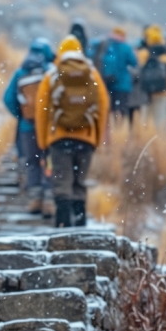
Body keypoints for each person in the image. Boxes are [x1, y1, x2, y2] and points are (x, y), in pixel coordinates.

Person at [35, 35, 109, 228]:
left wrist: (43, 143)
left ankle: (63, 224)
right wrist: (96, 138)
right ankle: (80, 220)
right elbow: (103, 106)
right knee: (79, 181)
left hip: (59, 138)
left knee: (62, 181)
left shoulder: (52, 75)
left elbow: (41, 111)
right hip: (86, 139)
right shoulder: (92, 74)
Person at [3, 38, 55, 216]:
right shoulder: (51, 71)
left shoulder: (20, 72)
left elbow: (8, 99)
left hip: (27, 126)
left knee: (32, 161)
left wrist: (22, 115)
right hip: (49, 126)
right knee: (49, 159)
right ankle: (49, 199)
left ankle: (35, 200)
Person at [91, 26, 138, 117]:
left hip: (108, 81)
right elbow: (134, 62)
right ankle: (120, 128)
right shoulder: (126, 47)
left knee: (110, 108)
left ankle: (109, 128)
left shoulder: (106, 44)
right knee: (121, 109)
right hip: (123, 84)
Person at [136, 25, 166, 127]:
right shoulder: (164, 55)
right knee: (159, 120)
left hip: (145, 92)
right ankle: (158, 140)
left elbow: (137, 72)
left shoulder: (143, 53)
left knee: (145, 120)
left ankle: (146, 139)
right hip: (162, 92)